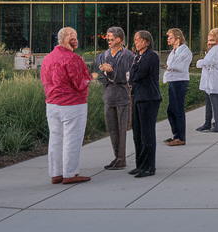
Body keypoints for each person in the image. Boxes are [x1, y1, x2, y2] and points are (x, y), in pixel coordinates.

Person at [40, 26, 91, 184]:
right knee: (72, 138)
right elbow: (80, 83)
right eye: (74, 37)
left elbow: (44, 80)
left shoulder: (48, 58)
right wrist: (92, 76)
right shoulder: (73, 59)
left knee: (55, 138)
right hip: (72, 104)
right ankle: (70, 173)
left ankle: (56, 173)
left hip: (52, 103)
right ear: (70, 39)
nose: (77, 41)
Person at [91, 26, 134, 170]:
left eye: (112, 38)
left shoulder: (128, 56)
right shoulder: (103, 56)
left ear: (120, 40)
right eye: (107, 38)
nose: (109, 40)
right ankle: (117, 157)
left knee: (122, 128)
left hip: (122, 95)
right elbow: (98, 73)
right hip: (109, 95)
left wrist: (112, 71)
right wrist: (105, 76)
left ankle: (122, 158)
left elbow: (129, 76)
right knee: (112, 128)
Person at [127, 30, 162, 177]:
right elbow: (131, 76)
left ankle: (149, 166)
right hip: (137, 97)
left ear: (147, 41)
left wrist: (132, 74)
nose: (136, 42)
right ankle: (140, 164)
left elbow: (139, 74)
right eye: (135, 39)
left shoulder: (151, 56)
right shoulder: (137, 57)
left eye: (139, 39)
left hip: (149, 98)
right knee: (137, 133)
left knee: (147, 134)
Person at [161, 27, 191, 146]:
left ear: (178, 39)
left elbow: (180, 66)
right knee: (171, 109)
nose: (168, 39)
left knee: (178, 109)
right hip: (172, 80)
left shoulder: (185, 51)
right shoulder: (173, 52)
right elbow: (170, 65)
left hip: (180, 81)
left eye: (170, 37)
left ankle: (181, 137)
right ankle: (175, 134)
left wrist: (171, 67)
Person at [196, 28, 218, 133]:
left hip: (215, 80)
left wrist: (200, 62)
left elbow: (208, 62)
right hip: (209, 79)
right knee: (209, 103)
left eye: (212, 40)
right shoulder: (213, 49)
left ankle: (217, 125)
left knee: (216, 103)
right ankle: (207, 123)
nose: (209, 42)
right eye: (209, 40)